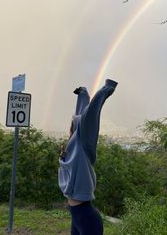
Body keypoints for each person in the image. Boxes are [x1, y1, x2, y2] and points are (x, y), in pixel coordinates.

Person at [58, 79, 118, 235]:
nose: (70, 124)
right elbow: (80, 111)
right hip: (76, 217)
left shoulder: (83, 147)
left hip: (87, 218)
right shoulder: (69, 149)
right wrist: (82, 93)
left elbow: (89, 114)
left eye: (74, 123)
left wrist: (107, 88)